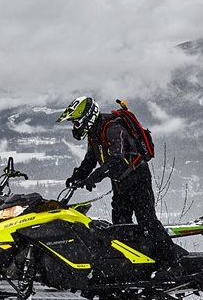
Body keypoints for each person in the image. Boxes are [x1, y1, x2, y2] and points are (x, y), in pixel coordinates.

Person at [56, 95, 184, 262]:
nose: (75, 126)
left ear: (88, 117)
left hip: (138, 179)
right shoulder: (94, 133)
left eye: (76, 122)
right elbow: (90, 159)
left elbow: (117, 160)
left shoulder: (112, 129)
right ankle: (133, 264)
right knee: (120, 228)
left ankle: (171, 262)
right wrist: (78, 176)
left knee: (147, 222)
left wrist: (94, 177)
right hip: (120, 184)